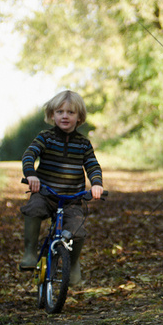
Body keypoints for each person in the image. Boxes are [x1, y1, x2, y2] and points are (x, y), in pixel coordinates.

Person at [19, 90, 104, 286]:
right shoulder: (45, 137)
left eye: (71, 112)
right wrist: (31, 174)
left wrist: (97, 184)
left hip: (72, 198)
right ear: (52, 115)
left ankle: (72, 264)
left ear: (79, 117)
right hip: (46, 193)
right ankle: (30, 252)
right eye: (60, 112)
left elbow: (92, 165)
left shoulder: (83, 144)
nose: (65, 116)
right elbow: (29, 155)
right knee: (33, 209)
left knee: (78, 229)